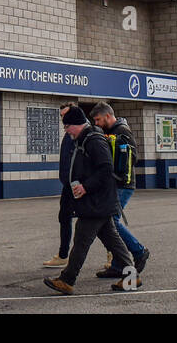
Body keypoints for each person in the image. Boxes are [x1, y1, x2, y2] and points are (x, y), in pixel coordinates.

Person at [43, 107, 136, 294]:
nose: (66, 130)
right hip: (100, 201)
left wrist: (86, 187)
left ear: (77, 124)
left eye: (68, 126)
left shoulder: (93, 140)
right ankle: (131, 277)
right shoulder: (84, 139)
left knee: (81, 240)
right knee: (113, 241)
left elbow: (105, 169)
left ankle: (67, 280)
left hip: (97, 202)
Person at [89, 102, 149, 273]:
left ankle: (139, 250)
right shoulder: (111, 132)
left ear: (108, 116)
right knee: (109, 224)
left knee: (112, 222)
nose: (97, 123)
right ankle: (118, 264)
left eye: (99, 119)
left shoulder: (122, 131)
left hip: (122, 185)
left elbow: (133, 158)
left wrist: (117, 175)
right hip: (115, 184)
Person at [43, 101, 80, 268]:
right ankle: (63, 254)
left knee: (96, 222)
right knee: (64, 217)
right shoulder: (68, 133)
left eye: (65, 115)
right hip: (68, 185)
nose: (63, 119)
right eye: (61, 116)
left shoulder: (81, 133)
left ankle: (113, 253)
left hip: (79, 185)